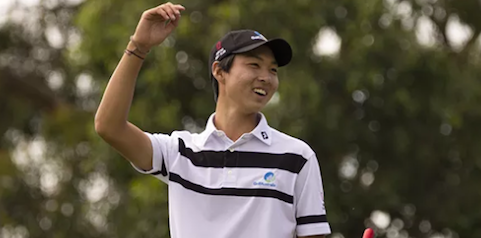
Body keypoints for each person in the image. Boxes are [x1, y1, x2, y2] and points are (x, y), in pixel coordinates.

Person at [95, 2, 360, 238]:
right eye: (254, 66)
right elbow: (109, 126)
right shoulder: (180, 153)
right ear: (219, 71)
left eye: (273, 70)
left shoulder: (297, 157)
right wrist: (138, 47)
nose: (266, 78)